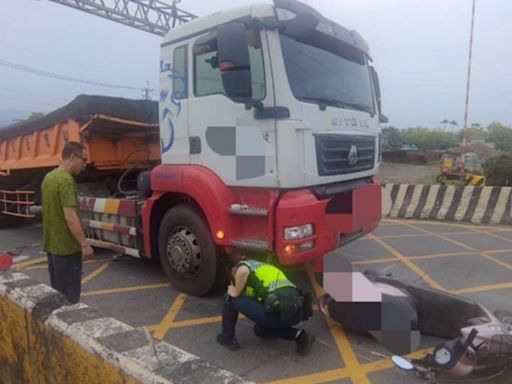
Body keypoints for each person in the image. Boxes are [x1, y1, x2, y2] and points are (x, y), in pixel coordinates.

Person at [217, 251, 315, 355]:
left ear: (233, 270)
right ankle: (300, 336)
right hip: (297, 312)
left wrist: (236, 291)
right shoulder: (262, 266)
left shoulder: (243, 266)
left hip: (279, 310)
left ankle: (227, 339)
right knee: (260, 330)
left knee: (229, 298)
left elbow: (243, 271)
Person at [41, 141, 94, 304]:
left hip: (52, 247)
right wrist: (84, 244)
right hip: (67, 249)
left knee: (58, 294)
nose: (85, 165)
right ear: (72, 156)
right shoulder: (66, 181)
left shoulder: (49, 177)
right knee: (70, 299)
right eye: (84, 159)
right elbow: (70, 217)